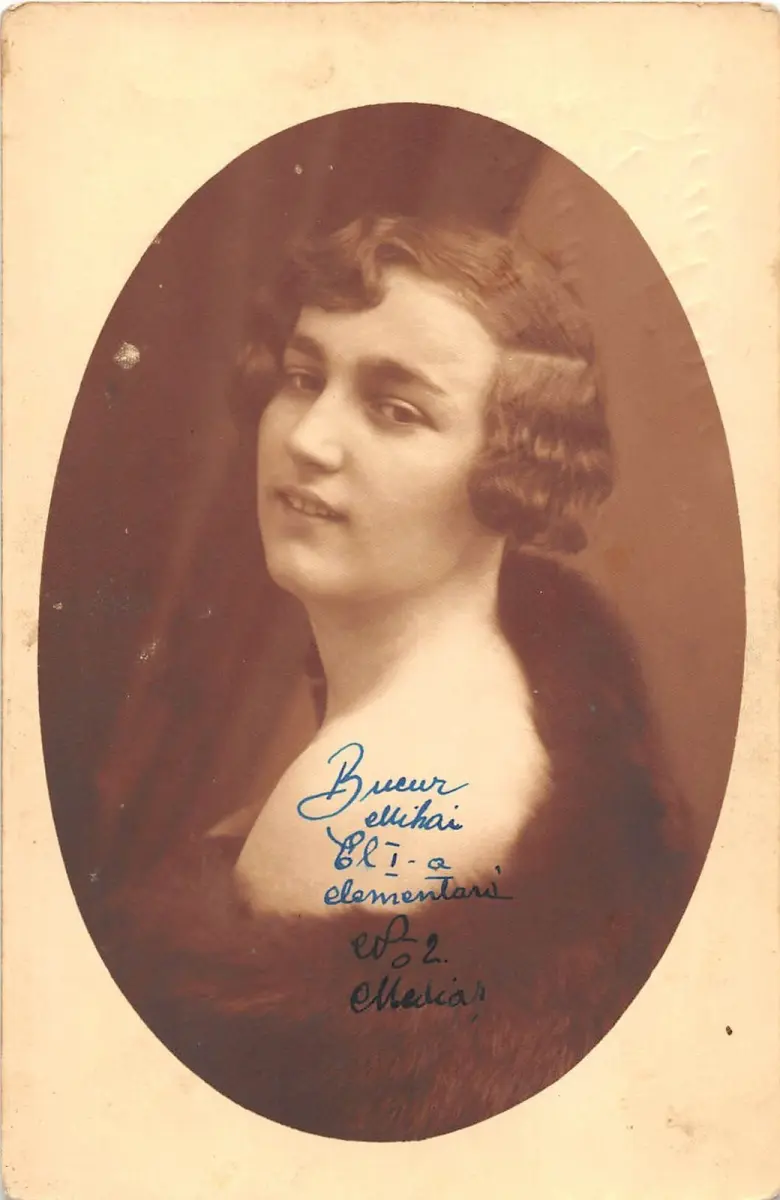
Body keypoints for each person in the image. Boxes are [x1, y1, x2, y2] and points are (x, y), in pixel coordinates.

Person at [96, 214, 694, 1141]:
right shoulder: (486, 679)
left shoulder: (370, 798)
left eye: (396, 409)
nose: (310, 439)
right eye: (303, 378)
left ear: (511, 472)